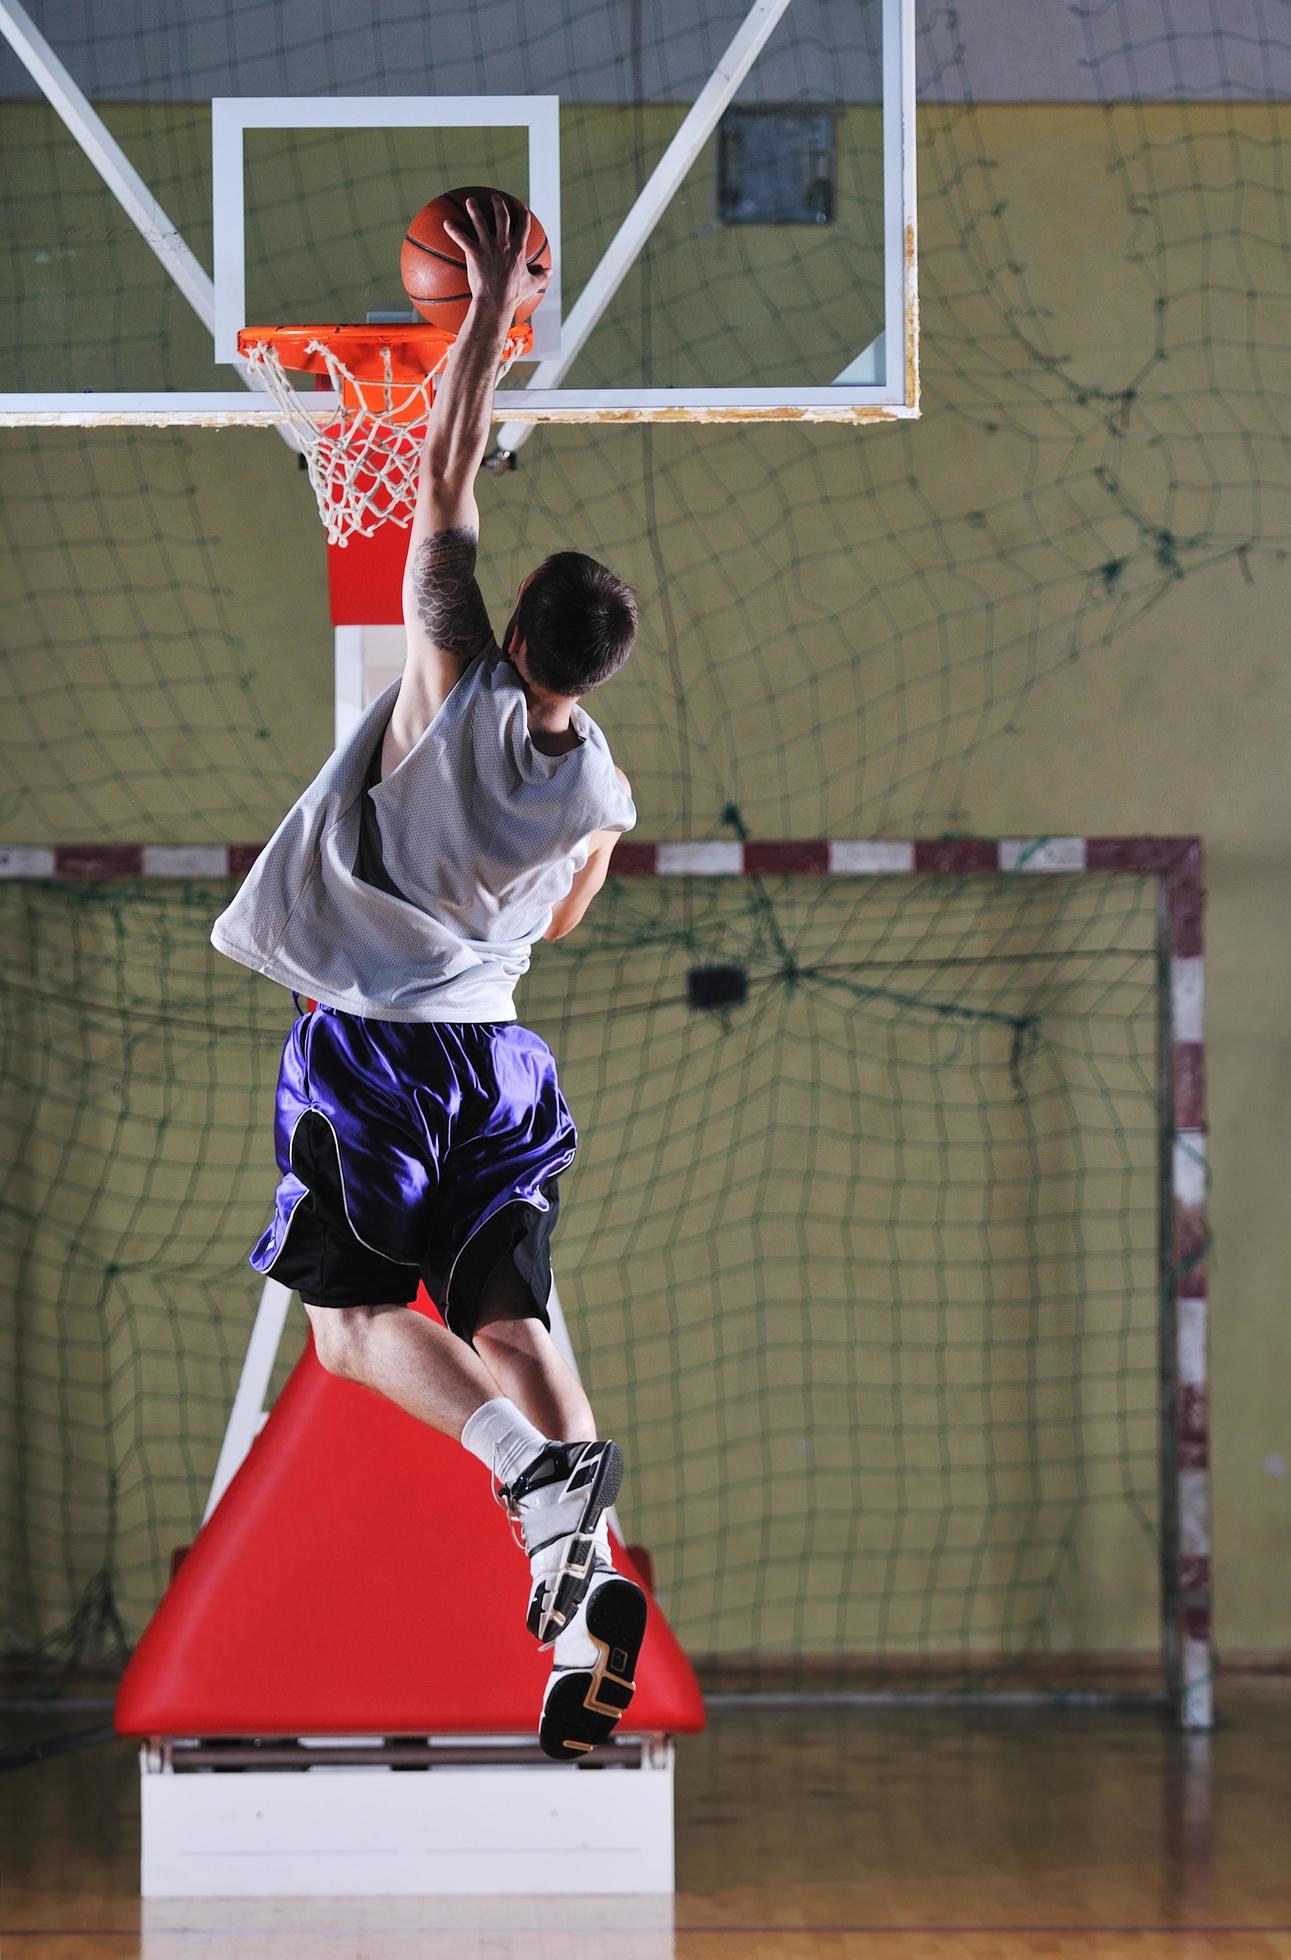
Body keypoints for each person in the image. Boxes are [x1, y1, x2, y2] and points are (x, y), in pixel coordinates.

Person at [210, 192, 644, 1760]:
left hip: (376, 1053)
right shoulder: (598, 795)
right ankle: (586, 1568)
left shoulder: (449, 676)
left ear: (511, 626)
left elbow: (447, 473)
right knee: (519, 1317)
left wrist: (476, 325)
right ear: (597, 674)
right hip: (502, 1060)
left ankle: (525, 1477)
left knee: (343, 1328)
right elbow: (564, 922)